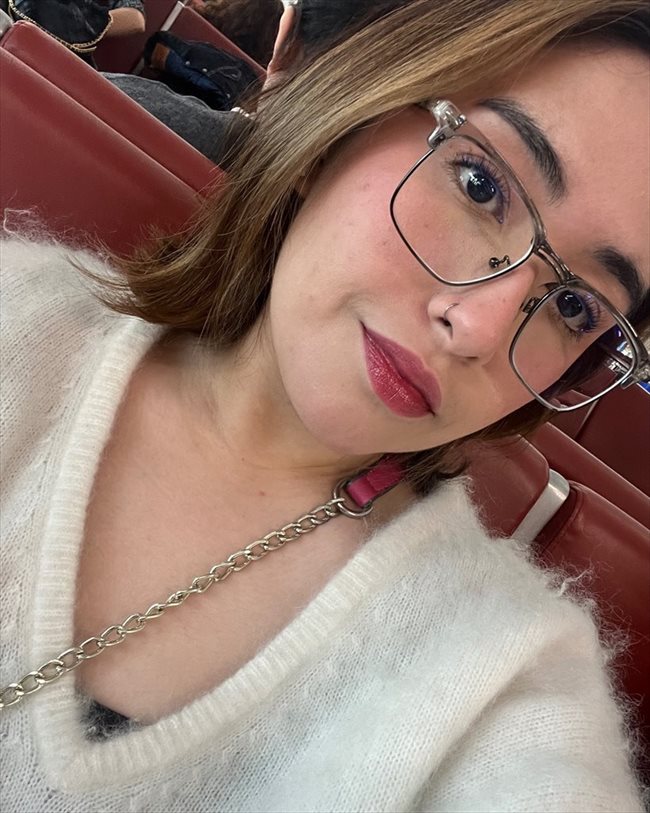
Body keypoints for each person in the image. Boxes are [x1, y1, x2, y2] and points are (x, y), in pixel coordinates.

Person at [1, 1, 649, 811]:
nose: (480, 328)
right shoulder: (16, 322)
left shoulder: (503, 677)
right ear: (348, 110)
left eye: (575, 306)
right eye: (480, 185)